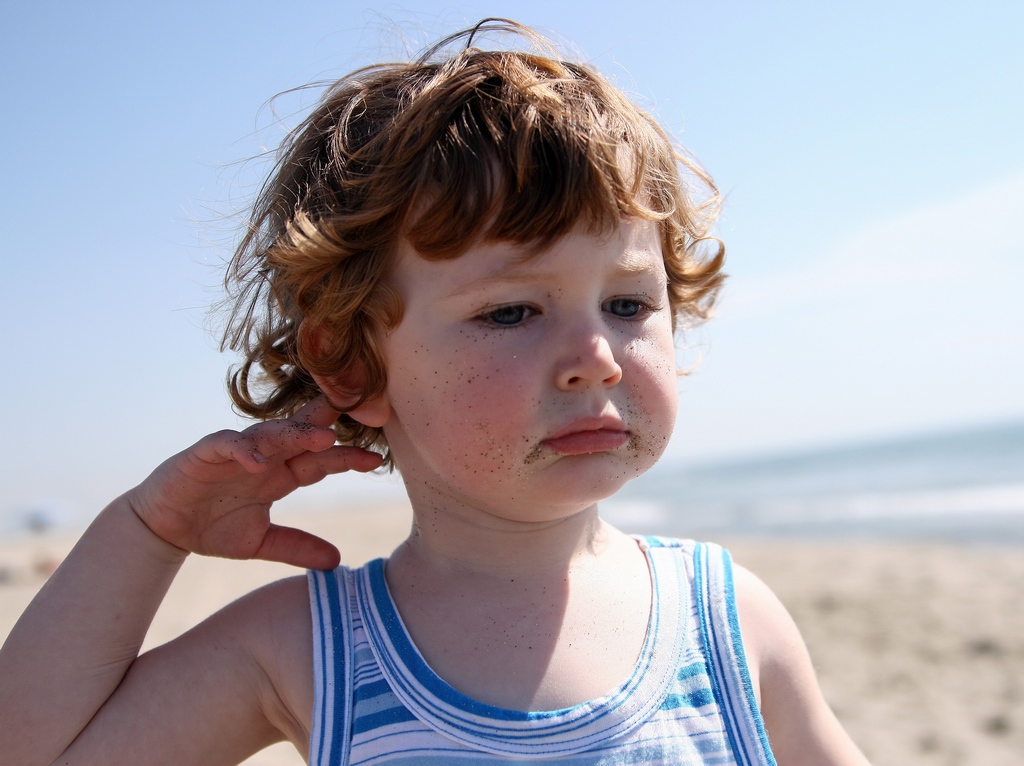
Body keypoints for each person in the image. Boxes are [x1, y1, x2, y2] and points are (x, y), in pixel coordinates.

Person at [0, 19, 870, 766]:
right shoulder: (308, 649)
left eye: (627, 304)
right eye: (511, 312)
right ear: (354, 366)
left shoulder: (727, 620)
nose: (596, 358)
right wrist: (148, 532)